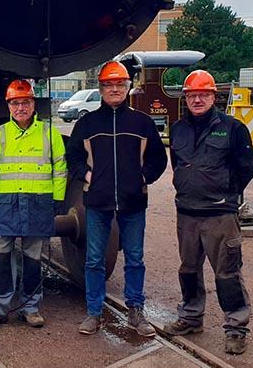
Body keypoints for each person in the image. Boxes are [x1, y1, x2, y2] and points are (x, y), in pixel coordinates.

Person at [65, 61, 166, 337]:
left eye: (119, 84)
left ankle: (136, 311)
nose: (114, 89)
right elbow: (72, 157)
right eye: (109, 85)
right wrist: (86, 176)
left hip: (133, 203)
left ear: (128, 87)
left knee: (134, 258)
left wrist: (143, 178)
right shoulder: (87, 124)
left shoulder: (142, 123)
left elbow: (159, 158)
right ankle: (94, 313)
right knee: (94, 259)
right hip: (97, 203)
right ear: (100, 89)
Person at [160, 70, 253, 356]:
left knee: (227, 272)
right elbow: (177, 163)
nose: (197, 99)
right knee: (188, 269)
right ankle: (191, 318)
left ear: (214, 96)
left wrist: (227, 192)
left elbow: (246, 168)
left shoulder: (233, 128)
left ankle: (236, 328)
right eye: (192, 95)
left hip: (219, 214)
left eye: (203, 94)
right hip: (187, 212)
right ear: (185, 98)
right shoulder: (178, 129)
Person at [0, 79, 67, 329]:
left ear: (33, 104)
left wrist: (57, 199)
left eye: (25, 102)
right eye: (15, 103)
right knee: (0, 257)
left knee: (33, 259)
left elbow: (60, 169)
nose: (20, 107)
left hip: (37, 204)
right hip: (6, 205)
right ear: (9, 106)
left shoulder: (49, 133)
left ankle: (30, 308)